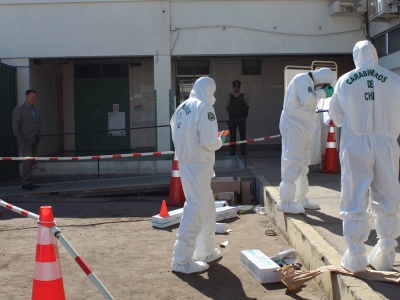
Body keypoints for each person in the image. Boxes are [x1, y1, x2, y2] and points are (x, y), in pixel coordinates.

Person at [329, 40, 400, 273]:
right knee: (388, 195)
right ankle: (386, 253)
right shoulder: (393, 79)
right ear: (375, 55)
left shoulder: (345, 80)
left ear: (356, 56)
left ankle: (356, 256)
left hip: (355, 142)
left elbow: (336, 116)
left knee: (354, 195)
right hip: (387, 142)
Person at [170, 77, 226, 274]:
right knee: (196, 208)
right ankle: (181, 260)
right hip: (199, 165)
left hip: (186, 163)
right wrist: (220, 140)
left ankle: (206, 250)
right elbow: (209, 141)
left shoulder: (182, 107)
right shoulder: (204, 107)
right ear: (209, 90)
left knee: (206, 206)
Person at [277, 68, 335, 214]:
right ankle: (286, 201)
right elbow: (307, 99)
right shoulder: (302, 79)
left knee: (303, 163)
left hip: (302, 127)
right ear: (321, 81)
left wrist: (321, 93)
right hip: (294, 125)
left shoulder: (308, 82)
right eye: (324, 86)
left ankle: (300, 198)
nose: (323, 89)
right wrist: (323, 93)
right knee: (293, 161)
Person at [12, 89, 41, 190]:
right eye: (32, 97)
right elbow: (15, 126)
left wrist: (39, 135)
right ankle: (25, 182)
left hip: (35, 139)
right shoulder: (19, 109)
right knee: (27, 160)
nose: (34, 99)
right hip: (25, 140)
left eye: (35, 97)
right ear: (26, 97)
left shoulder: (36, 109)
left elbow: (37, 123)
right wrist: (20, 139)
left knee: (31, 161)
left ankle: (29, 181)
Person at [226, 79, 249, 155]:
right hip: (232, 119)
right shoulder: (229, 97)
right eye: (235, 87)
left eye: (238, 87)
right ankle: (232, 151)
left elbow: (247, 106)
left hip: (241, 118)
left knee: (243, 135)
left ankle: (243, 151)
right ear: (233, 87)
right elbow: (227, 107)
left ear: (239, 87)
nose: (236, 88)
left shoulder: (244, 96)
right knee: (232, 136)